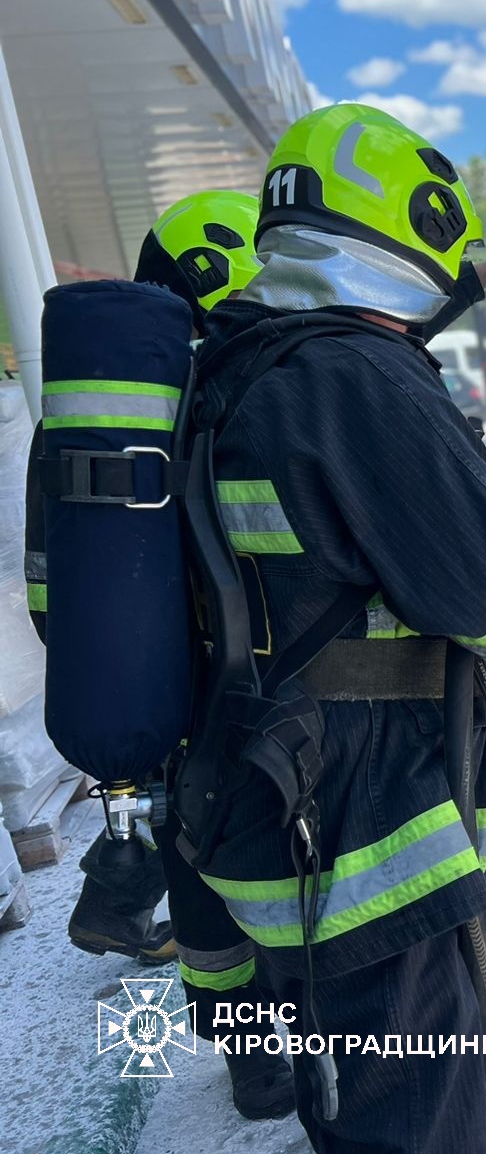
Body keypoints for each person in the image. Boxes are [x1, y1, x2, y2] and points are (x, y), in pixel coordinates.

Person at [184, 102, 486, 1153]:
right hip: (366, 850)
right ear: (414, 220)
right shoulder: (357, 376)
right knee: (426, 1126)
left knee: (354, 1106)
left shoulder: (240, 362)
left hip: (271, 809)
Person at [48, 190, 299, 1120]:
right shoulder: (251, 390)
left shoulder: (92, 413)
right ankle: (326, 1038)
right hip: (257, 684)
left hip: (156, 692)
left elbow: (50, 584)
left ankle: (252, 1065)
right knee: (275, 862)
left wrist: (120, 662)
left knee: (194, 877)